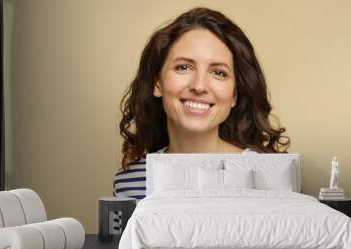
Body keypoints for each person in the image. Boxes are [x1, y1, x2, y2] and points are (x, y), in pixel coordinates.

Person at [112, 7, 291, 233]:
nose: (199, 86)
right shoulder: (128, 182)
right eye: (183, 67)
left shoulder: (269, 175)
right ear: (157, 83)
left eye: (218, 73)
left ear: (234, 95)